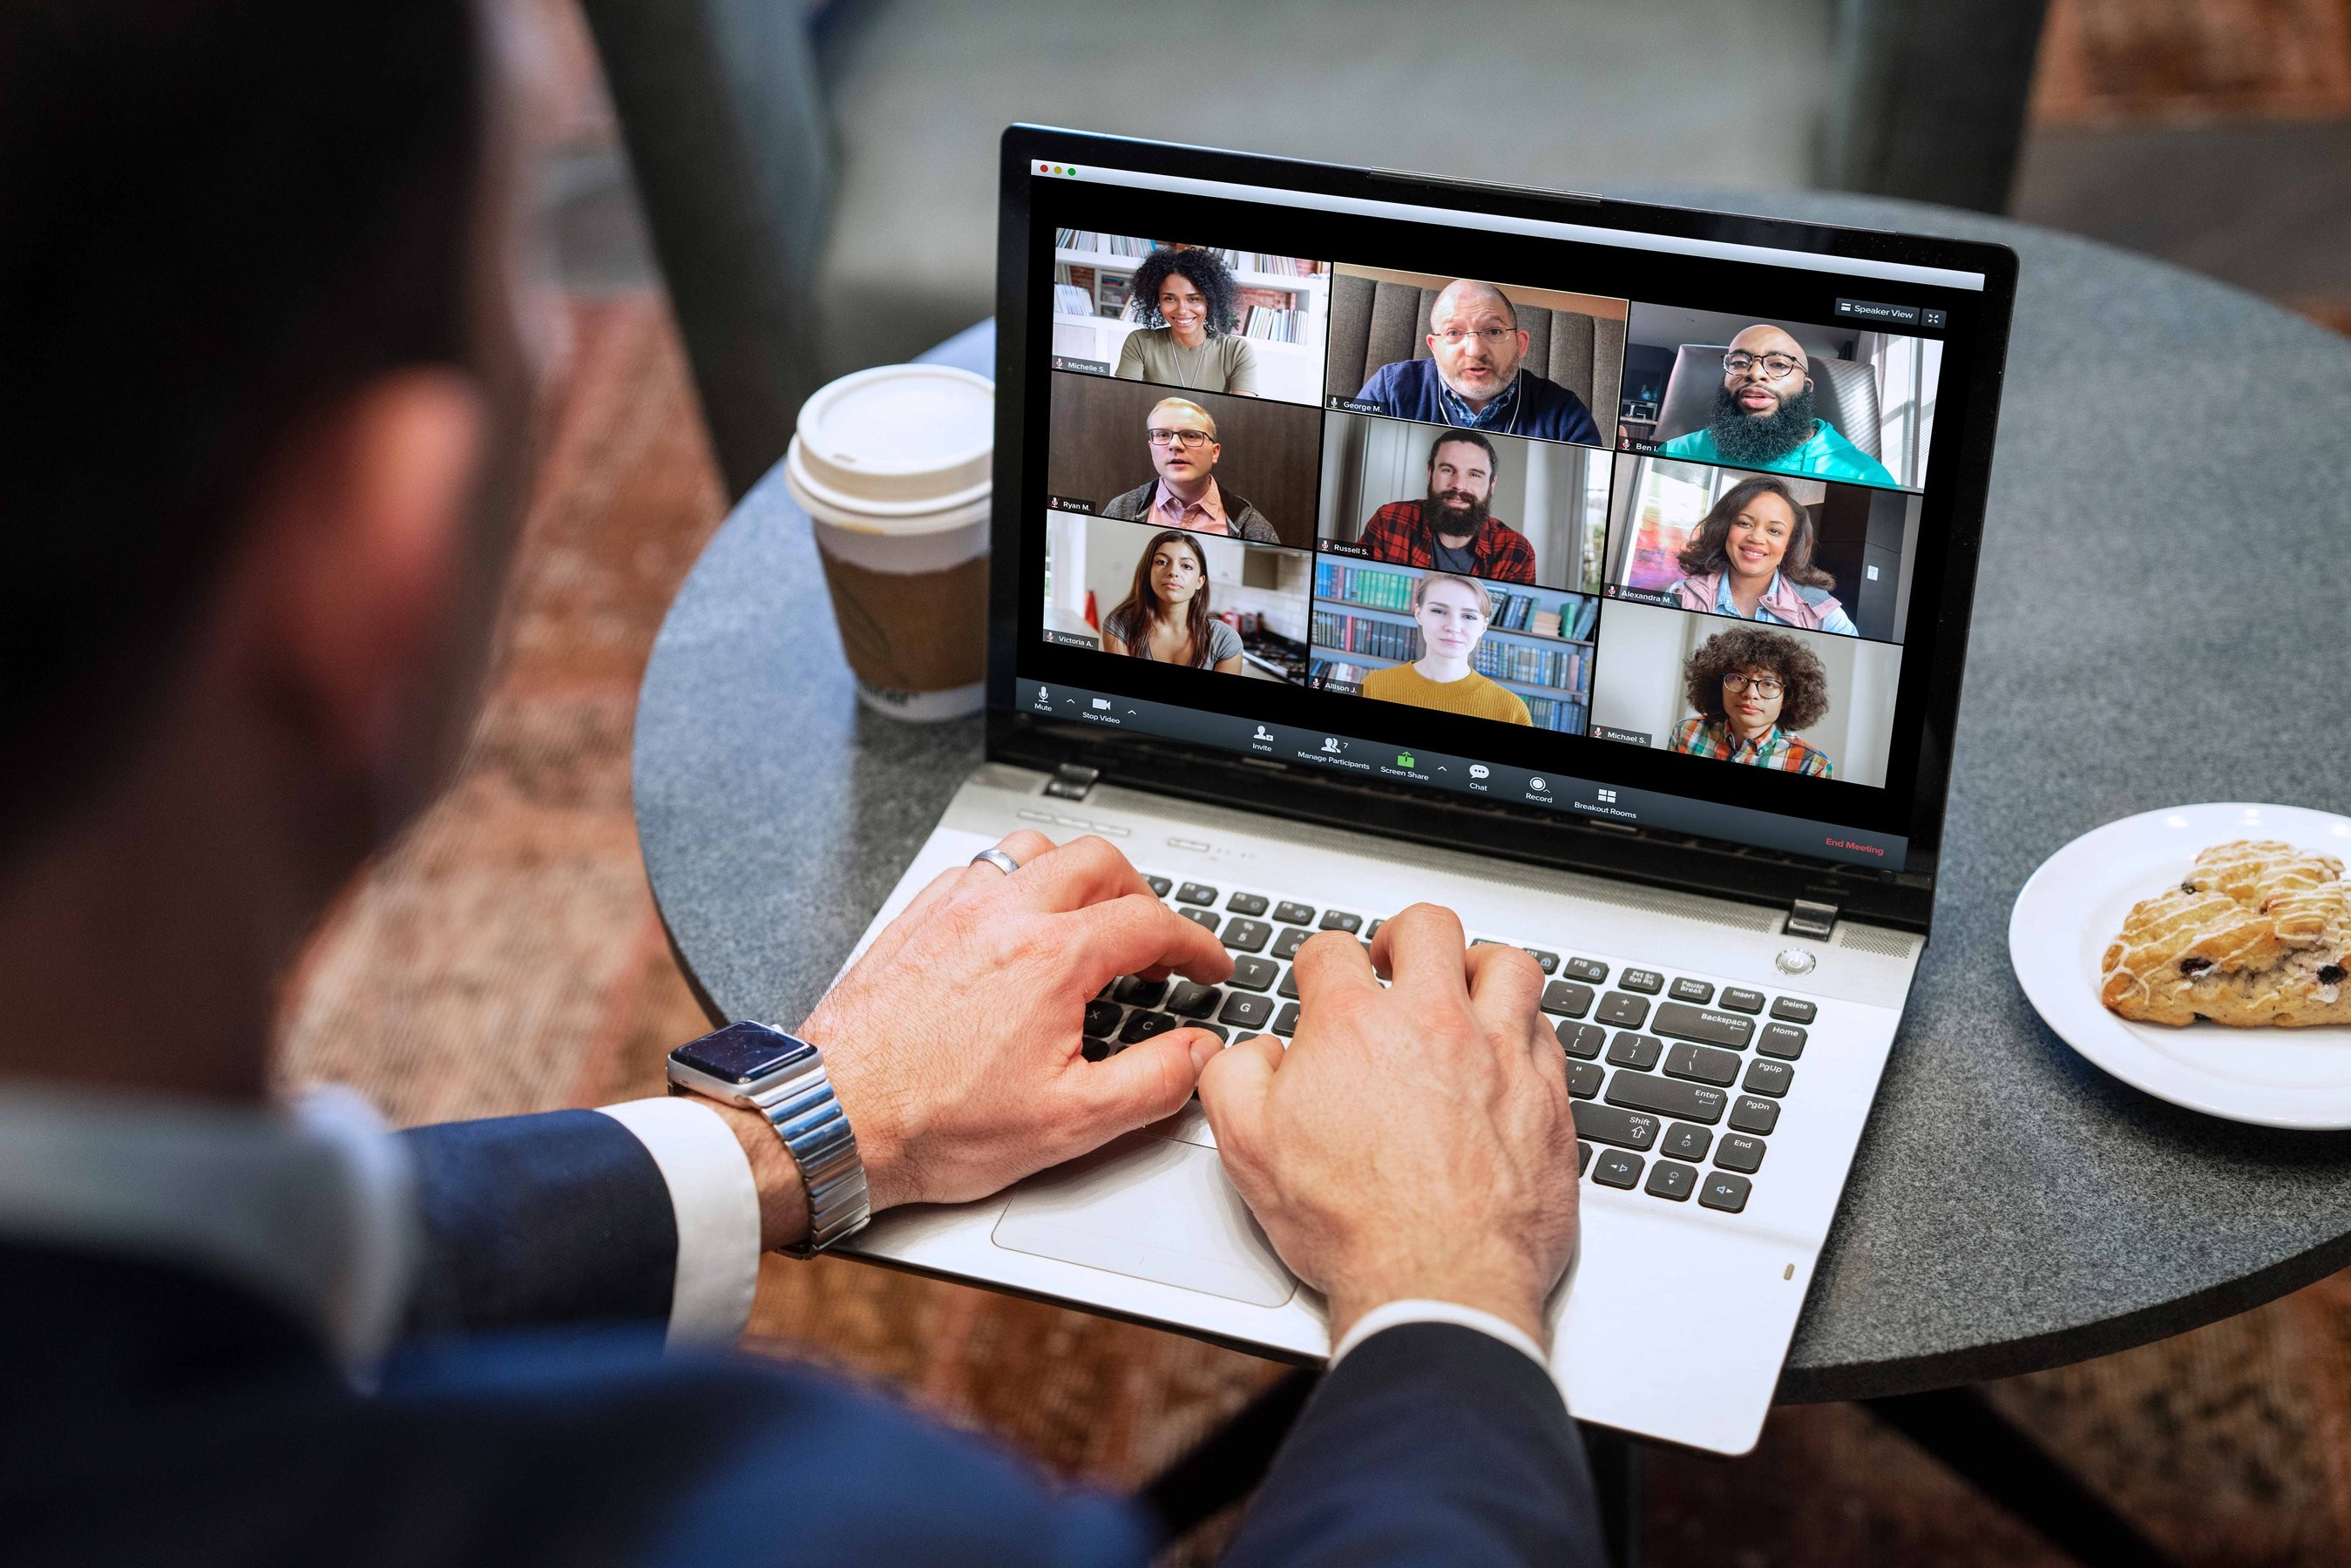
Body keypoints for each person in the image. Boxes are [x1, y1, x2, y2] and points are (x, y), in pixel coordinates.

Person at [1, 5, 1608, 1566]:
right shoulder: (829, 1522)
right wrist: (1445, 1284)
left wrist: (794, 1127)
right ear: (375, 571)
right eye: (534, 272)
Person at [1353, 280, 1602, 445]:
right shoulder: (1389, 389)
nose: (1474, 351)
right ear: (1434, 347)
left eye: (1493, 331)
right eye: (1453, 333)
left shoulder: (1564, 416)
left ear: (1521, 343)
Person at [1654, 325, 1899, 487]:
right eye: (1740, 362)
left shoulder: (1864, 476)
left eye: (1779, 365)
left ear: (1807, 387)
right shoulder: (1676, 453)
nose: (1755, 374)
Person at [1666, 475, 1856, 634]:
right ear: (1725, 530)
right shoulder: (1681, 595)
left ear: (1789, 544)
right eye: (1745, 523)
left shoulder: (1821, 612)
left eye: (1774, 531)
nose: (1756, 538)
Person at [1355, 430, 1537, 584]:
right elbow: (1357, 587)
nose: (1459, 485)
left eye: (1474, 475)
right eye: (1448, 470)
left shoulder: (1516, 551)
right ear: (1430, 473)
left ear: (1491, 485)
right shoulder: (1388, 521)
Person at [1099, 396, 1283, 544]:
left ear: (1215, 452)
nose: (1175, 445)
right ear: (1151, 448)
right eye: (1163, 435)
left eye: (1191, 436)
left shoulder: (1254, 528)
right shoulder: (1120, 509)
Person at [1359, 575, 1534, 724]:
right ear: (1419, 614)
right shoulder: (1374, 685)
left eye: (1468, 616)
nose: (1453, 627)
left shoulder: (1512, 710)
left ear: (1483, 626)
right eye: (1439, 611)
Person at [1668, 627, 1838, 776]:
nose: (1750, 693)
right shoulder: (1686, 732)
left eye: (1769, 683)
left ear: (1788, 698)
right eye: (1738, 678)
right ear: (1718, 684)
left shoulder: (1812, 765)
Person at [1114, 247, 1260, 396]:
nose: (1182, 310)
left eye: (1193, 299)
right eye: (1169, 299)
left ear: (1209, 301)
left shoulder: (1237, 351)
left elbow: (1243, 414)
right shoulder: (1140, 343)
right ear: (1157, 300)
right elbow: (1125, 402)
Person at [1100, 530, 1246, 672]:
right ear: (1148, 572)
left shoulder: (1225, 639)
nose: (1173, 572)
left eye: (1186, 566)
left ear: (1199, 582)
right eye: (1162, 562)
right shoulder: (1119, 625)